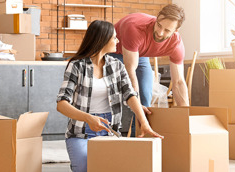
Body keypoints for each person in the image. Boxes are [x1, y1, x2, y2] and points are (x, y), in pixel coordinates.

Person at [56, 20, 163, 172]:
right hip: (81, 132)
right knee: (84, 167)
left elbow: (130, 94)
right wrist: (88, 118)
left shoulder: (116, 66)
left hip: (109, 131)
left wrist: (144, 122)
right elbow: (61, 104)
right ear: (102, 39)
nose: (117, 41)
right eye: (114, 37)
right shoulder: (77, 66)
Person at [110, 4, 189, 136]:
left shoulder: (176, 45)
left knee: (146, 98)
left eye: (167, 30)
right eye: (159, 25)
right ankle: (106, 136)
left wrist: (187, 120)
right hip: (114, 51)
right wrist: (135, 102)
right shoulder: (135, 28)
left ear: (176, 30)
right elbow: (131, 71)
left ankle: (140, 138)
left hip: (140, 54)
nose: (160, 33)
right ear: (157, 18)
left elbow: (179, 82)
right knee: (116, 96)